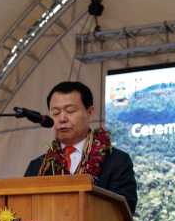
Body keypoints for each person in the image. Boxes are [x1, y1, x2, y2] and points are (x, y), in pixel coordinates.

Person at [24, 81, 138, 214]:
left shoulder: (116, 161)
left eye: (70, 111)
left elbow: (124, 212)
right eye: (55, 113)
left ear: (90, 113)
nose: (62, 119)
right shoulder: (37, 167)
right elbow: (24, 210)